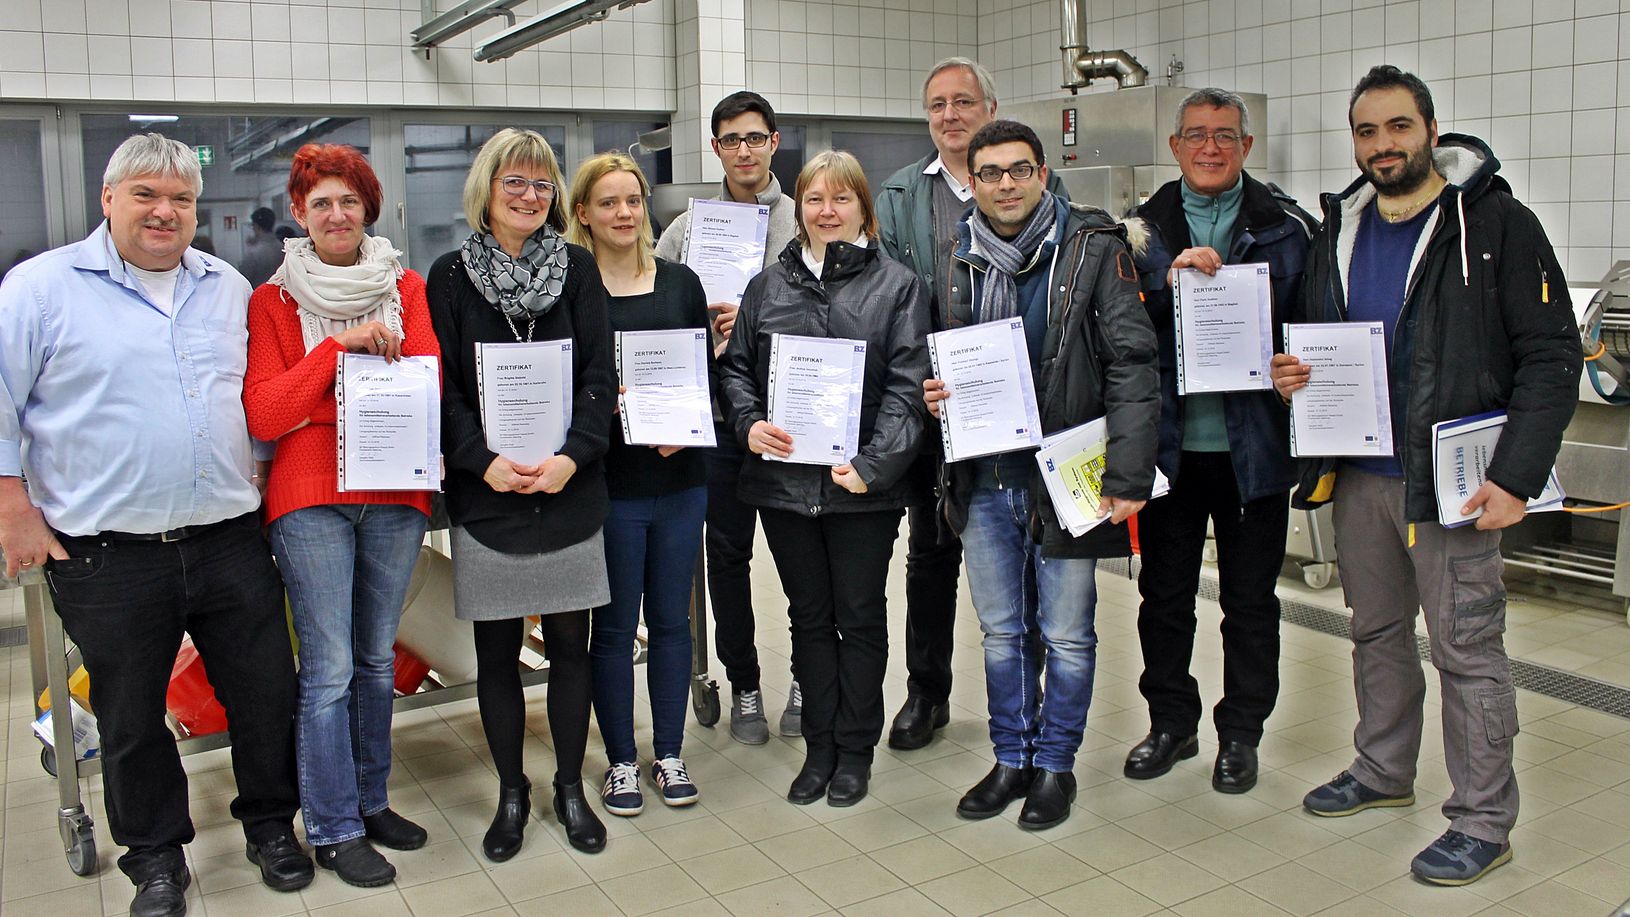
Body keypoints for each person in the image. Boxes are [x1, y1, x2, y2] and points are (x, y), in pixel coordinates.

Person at [1273, 65, 1580, 886]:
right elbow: (1315, 339)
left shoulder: (1494, 226)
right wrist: (1292, 374)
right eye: (1368, 132)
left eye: (1399, 128)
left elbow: (1552, 358)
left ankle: (1483, 819)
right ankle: (1382, 769)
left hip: (1452, 485)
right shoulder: (1336, 230)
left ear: (1430, 130)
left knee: (1466, 648)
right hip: (1362, 475)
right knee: (1374, 633)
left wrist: (1516, 475)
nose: (1384, 145)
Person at [0, 133, 311, 917]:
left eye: (179, 198)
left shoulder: (226, 287)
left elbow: (254, 400)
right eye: (145, 195)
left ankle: (272, 824)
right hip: (109, 554)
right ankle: (155, 857)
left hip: (229, 540)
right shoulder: (41, 289)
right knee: (132, 715)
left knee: (267, 692)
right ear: (108, 200)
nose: (164, 211)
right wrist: (12, 508)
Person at [926, 120, 1158, 831]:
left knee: (1065, 633)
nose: (1004, 184)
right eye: (990, 172)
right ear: (974, 179)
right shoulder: (956, 253)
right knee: (1001, 630)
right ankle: (1011, 757)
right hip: (987, 477)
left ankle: (1056, 766)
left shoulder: (1094, 248)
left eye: (1018, 170)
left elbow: (1132, 363)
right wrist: (934, 392)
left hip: (1067, 478)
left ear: (1043, 172)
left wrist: (1129, 471)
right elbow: (941, 357)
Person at [243, 144, 438, 887]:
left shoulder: (407, 286)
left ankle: (369, 797)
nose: (335, 214)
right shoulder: (274, 301)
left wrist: (319, 389)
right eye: (320, 202)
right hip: (309, 499)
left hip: (393, 494)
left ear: (368, 210)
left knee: (376, 660)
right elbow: (267, 406)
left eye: (348, 201)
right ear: (299, 212)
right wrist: (340, 351)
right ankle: (331, 824)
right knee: (325, 668)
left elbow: (424, 380)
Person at [718, 150, 929, 807]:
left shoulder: (898, 287)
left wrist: (872, 467)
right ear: (799, 208)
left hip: (861, 490)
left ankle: (855, 751)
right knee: (808, 618)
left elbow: (907, 388)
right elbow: (736, 371)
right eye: (815, 199)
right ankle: (819, 747)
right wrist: (749, 423)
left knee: (860, 617)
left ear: (864, 208)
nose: (827, 211)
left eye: (842, 199)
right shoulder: (767, 286)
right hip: (783, 488)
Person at [1122, 88, 1316, 794]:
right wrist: (1159, 293)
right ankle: (1171, 722)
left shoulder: (1289, 229)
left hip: (1252, 450)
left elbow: (1316, 327)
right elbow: (1118, 340)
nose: (1211, 147)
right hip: (1168, 452)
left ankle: (1241, 732)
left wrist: (1296, 364)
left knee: (1251, 599)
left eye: (1226, 135)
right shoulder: (1137, 233)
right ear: (1174, 146)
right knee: (1163, 595)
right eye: (1197, 135)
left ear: (1247, 146)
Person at [427, 128, 612, 858]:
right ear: (487, 190)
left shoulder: (577, 269)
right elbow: (442, 386)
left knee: (572, 648)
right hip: (492, 492)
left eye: (543, 186)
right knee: (496, 653)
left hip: (569, 488)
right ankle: (512, 791)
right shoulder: (448, 277)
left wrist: (571, 457)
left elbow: (600, 376)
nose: (531, 197)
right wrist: (480, 459)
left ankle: (569, 786)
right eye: (516, 184)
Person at [875, 57, 1069, 751]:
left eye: (963, 102)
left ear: (991, 106)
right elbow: (891, 298)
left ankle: (1032, 700)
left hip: (1025, 415)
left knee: (1029, 556)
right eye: (937, 105)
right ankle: (927, 693)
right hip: (936, 407)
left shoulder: (1036, 184)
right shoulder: (900, 194)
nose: (950, 115)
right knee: (930, 555)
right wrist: (916, 383)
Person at [567, 152, 711, 816]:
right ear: (584, 214)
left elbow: (700, 376)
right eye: (608, 202)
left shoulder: (682, 283)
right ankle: (622, 761)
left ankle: (670, 751)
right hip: (613, 484)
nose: (623, 213)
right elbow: (567, 384)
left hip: (681, 477)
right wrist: (603, 402)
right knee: (617, 627)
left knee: (675, 622)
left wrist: (688, 415)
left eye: (632, 200)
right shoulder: (574, 288)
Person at [656, 90, 802, 745]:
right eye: (730, 139)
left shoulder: (807, 221)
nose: (744, 150)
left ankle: (806, 677)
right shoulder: (686, 230)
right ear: (715, 148)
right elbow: (655, 315)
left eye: (755, 137)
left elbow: (838, 317)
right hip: (716, 423)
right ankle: (743, 683)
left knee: (805, 560)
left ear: (774, 142)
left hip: (791, 423)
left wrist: (761, 321)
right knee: (728, 558)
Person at [241, 205, 283, 287]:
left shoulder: (253, 253)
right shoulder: (284, 249)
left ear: (256, 226)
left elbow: (243, 280)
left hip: (258, 296)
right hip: (281, 296)